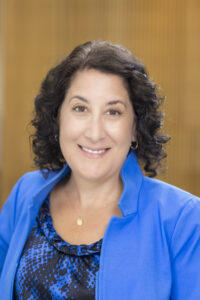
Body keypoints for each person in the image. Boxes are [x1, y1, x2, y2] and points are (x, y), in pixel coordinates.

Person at [0, 41, 200, 300]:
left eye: (113, 112)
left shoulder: (183, 219)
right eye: (80, 108)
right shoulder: (26, 193)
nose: (95, 132)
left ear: (135, 127)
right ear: (58, 117)